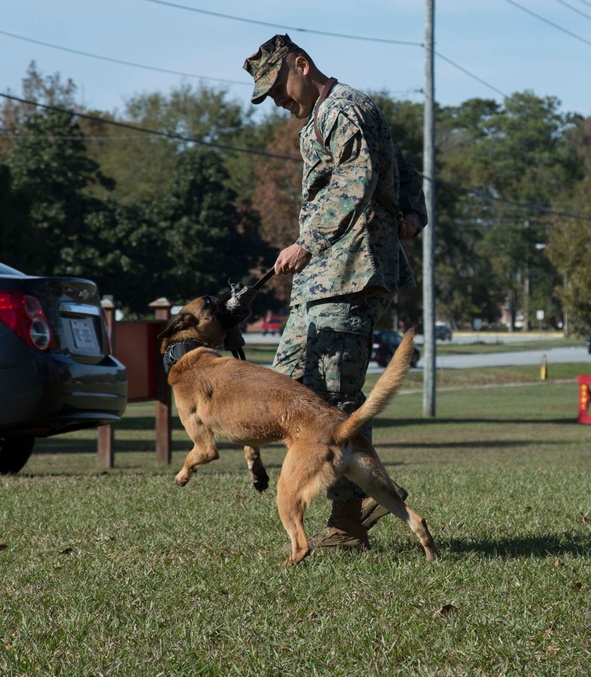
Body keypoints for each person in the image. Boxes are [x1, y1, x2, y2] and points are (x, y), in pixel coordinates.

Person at [243, 34, 427, 551]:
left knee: (333, 399)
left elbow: (357, 178)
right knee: (286, 391)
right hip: (320, 282)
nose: (278, 101)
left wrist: (308, 239)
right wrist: (412, 213)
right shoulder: (322, 118)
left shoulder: (344, 109)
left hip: (351, 273)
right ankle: (346, 498)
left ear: (302, 65)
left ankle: (349, 517)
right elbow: (404, 168)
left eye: (279, 87)